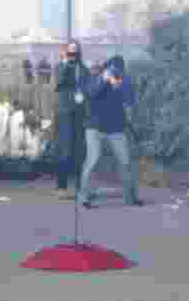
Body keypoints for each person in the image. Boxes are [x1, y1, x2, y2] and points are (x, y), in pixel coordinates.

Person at [77, 55, 142, 208]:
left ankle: (130, 197)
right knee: (93, 159)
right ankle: (84, 197)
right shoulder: (95, 78)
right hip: (94, 127)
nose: (116, 73)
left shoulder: (124, 81)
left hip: (116, 128)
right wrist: (104, 80)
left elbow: (130, 99)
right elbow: (91, 93)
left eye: (119, 71)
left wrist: (118, 85)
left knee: (125, 161)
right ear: (106, 69)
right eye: (113, 70)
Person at [52, 41, 91, 196]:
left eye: (75, 52)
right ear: (65, 52)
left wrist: (84, 96)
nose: (72, 55)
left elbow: (88, 87)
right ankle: (61, 187)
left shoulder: (83, 69)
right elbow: (59, 82)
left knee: (79, 150)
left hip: (79, 112)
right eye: (70, 52)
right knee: (64, 149)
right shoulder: (60, 67)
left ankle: (80, 186)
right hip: (64, 112)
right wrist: (65, 63)